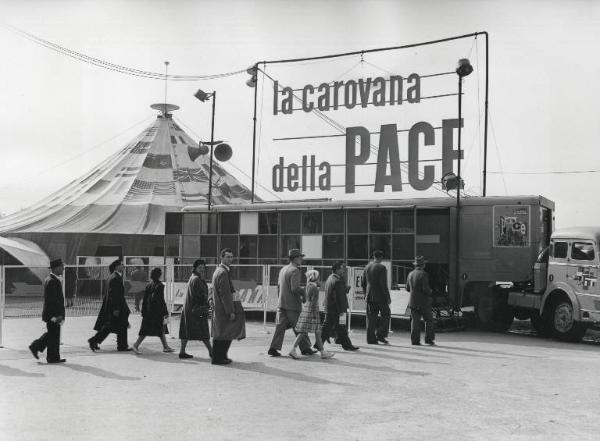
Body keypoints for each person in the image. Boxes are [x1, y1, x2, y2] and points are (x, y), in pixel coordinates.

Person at [267, 249, 314, 357]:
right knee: (300, 327)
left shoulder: (283, 269)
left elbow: (279, 287)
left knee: (280, 328)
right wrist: (306, 290)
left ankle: (273, 348)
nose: (302, 259)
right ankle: (306, 348)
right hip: (292, 305)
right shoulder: (295, 270)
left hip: (282, 303)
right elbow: (295, 288)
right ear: (295, 258)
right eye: (300, 257)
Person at [88, 259, 132, 352]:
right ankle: (120, 345)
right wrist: (116, 308)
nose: (123, 266)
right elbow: (114, 294)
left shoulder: (112, 277)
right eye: (121, 265)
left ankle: (121, 345)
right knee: (115, 325)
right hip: (116, 306)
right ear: (116, 267)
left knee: (115, 325)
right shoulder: (115, 278)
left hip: (113, 306)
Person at [211, 248, 246, 365]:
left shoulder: (218, 271)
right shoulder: (223, 272)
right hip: (224, 308)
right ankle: (218, 358)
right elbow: (225, 294)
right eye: (228, 257)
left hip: (220, 307)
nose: (230, 259)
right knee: (225, 333)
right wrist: (230, 311)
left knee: (221, 332)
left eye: (231, 257)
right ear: (222, 257)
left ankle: (220, 356)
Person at [289, 270, 334, 360]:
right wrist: (314, 315)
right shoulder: (314, 288)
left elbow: (305, 300)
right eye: (318, 277)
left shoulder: (307, 286)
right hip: (312, 312)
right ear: (315, 278)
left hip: (306, 310)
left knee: (309, 332)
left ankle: (322, 352)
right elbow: (313, 303)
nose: (319, 279)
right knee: (313, 332)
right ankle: (321, 352)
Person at [29, 258, 66, 363]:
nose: (63, 269)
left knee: (53, 334)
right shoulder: (52, 281)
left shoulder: (50, 279)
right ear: (57, 268)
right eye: (62, 267)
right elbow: (52, 300)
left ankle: (52, 356)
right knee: (53, 334)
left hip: (51, 313)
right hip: (53, 314)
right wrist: (57, 315)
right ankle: (36, 348)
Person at [131, 267, 173, 354]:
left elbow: (145, 299)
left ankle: (166, 346)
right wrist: (165, 312)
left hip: (149, 311)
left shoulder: (149, 285)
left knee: (160, 329)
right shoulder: (160, 285)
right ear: (159, 275)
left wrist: (143, 311)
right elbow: (161, 300)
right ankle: (136, 345)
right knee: (147, 330)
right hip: (156, 312)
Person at [321, 261, 359, 351]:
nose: (343, 270)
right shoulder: (337, 281)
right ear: (337, 269)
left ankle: (318, 344)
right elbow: (339, 297)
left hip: (330, 308)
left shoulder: (330, 278)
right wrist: (342, 311)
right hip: (337, 309)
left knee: (327, 327)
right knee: (341, 328)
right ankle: (347, 345)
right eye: (342, 268)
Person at [178, 259, 213, 359]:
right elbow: (198, 295)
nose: (202, 269)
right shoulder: (197, 279)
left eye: (203, 267)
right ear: (195, 268)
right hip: (197, 309)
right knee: (204, 331)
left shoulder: (193, 277)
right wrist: (206, 304)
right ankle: (211, 352)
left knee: (186, 331)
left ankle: (182, 351)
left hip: (189, 308)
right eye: (200, 267)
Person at [362, 250, 392, 344]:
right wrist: (387, 297)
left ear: (373, 257)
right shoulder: (382, 267)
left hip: (369, 296)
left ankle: (370, 339)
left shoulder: (367, 267)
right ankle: (380, 334)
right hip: (380, 296)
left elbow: (363, 283)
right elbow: (383, 284)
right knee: (386, 314)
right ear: (381, 257)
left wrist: (365, 294)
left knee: (371, 317)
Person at [406, 255, 435, 346]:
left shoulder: (410, 274)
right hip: (423, 302)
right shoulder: (424, 274)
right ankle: (428, 339)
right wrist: (431, 291)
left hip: (413, 302)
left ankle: (415, 341)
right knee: (429, 320)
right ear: (423, 265)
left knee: (415, 321)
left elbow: (407, 288)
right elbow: (425, 289)